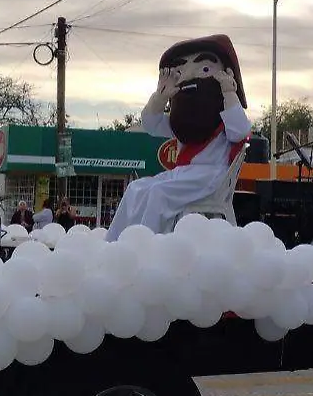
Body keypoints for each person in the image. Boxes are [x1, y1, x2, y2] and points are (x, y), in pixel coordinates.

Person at [106, 34, 251, 241]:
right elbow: (151, 124)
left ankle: (147, 246)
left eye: (205, 69)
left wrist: (229, 92)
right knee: (135, 188)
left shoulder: (225, 119)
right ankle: (115, 243)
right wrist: (160, 97)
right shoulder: (184, 123)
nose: (190, 77)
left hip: (209, 177)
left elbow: (240, 131)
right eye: (181, 72)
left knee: (158, 193)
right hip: (183, 175)